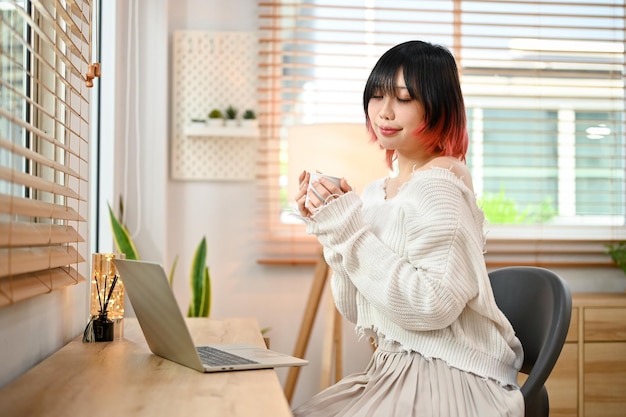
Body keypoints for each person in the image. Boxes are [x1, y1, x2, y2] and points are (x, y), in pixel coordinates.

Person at [292, 40, 524, 417]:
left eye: (403, 99)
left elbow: (433, 306)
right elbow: (354, 306)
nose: (383, 112)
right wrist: (332, 228)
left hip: (452, 376)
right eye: (377, 96)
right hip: (396, 367)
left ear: (437, 106)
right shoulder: (375, 193)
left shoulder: (441, 183)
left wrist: (348, 230)